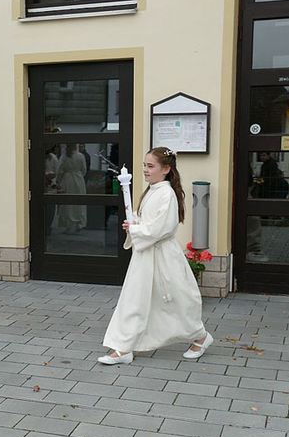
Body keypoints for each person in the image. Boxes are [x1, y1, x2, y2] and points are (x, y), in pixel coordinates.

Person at [98, 147, 213, 364]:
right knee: (134, 299)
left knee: (175, 301)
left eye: (150, 166)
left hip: (162, 257)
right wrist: (134, 225)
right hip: (146, 255)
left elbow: (162, 228)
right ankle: (124, 348)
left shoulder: (167, 194)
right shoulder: (152, 191)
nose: (145, 170)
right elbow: (149, 224)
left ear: (166, 169)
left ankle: (200, 336)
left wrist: (136, 230)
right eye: (144, 165)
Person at [56, 143, 88, 232]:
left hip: (67, 180)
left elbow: (59, 170)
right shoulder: (81, 156)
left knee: (68, 203)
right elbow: (84, 169)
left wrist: (59, 180)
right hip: (79, 179)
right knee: (79, 202)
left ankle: (68, 224)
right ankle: (79, 223)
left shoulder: (64, 157)